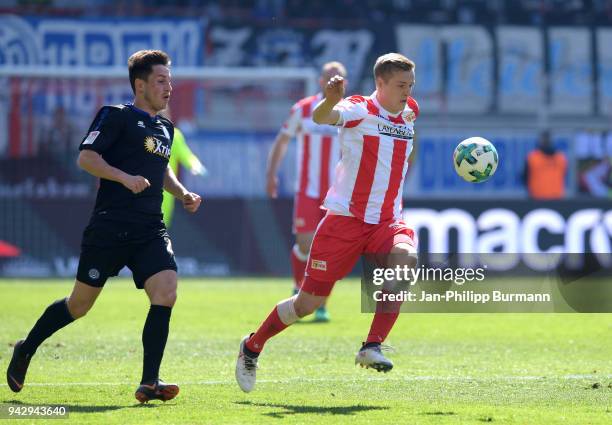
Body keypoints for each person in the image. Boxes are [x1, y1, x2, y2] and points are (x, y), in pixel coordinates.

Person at [6, 50, 202, 403]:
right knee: (79, 305)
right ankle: (26, 348)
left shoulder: (166, 128)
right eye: (161, 81)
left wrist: (183, 191)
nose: (169, 87)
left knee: (166, 291)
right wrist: (123, 177)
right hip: (110, 226)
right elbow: (87, 157)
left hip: (149, 228)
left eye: (170, 80)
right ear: (140, 85)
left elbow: (162, 170)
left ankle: (150, 382)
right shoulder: (115, 116)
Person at [236, 53, 419, 393]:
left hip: (386, 221)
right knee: (307, 305)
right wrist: (329, 100)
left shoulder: (409, 112)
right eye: (400, 85)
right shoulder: (358, 108)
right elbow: (323, 117)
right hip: (344, 222)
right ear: (380, 83)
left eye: (410, 84)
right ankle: (252, 346)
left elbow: (407, 146)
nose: (407, 91)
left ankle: (371, 346)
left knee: (406, 259)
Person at [266, 61, 347, 322]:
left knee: (331, 250)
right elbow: (282, 140)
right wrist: (271, 174)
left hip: (337, 193)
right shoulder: (302, 109)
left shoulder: (351, 111)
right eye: (329, 77)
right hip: (308, 191)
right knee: (305, 244)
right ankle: (299, 286)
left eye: (339, 78)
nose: (334, 81)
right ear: (321, 81)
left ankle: (322, 303)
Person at [161, 108, 206, 228]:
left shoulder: (174, 136)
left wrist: (195, 166)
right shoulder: (142, 134)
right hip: (143, 191)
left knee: (159, 231)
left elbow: (187, 155)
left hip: (167, 193)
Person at [524, 131, 567, 199]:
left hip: (555, 199)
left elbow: (524, 178)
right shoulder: (532, 157)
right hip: (537, 198)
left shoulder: (561, 158)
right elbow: (525, 177)